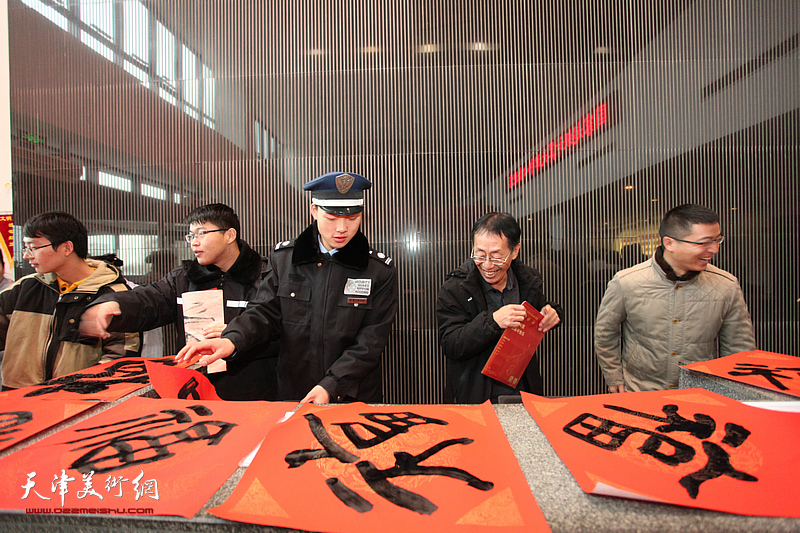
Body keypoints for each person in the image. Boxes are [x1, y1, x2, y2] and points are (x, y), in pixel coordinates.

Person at [175, 172, 399, 404]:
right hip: (294, 391)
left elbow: (370, 342)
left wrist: (330, 386)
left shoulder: (378, 271)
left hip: (353, 394)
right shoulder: (286, 259)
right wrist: (231, 339)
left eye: (352, 218)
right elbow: (263, 311)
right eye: (331, 218)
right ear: (314, 211)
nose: (341, 228)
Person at [80, 203, 278, 401]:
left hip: (254, 391)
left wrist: (235, 335)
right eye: (190, 236)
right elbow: (150, 299)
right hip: (195, 390)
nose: (194, 242)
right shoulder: (185, 278)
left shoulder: (266, 277)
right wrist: (114, 304)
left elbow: (283, 329)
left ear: (230, 235)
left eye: (202, 233)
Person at [594, 204, 757, 393]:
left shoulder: (725, 285)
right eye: (704, 242)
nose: (714, 249)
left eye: (717, 240)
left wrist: (735, 391)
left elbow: (739, 347)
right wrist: (613, 375)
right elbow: (605, 333)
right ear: (669, 243)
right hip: (641, 390)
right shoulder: (627, 282)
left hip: (702, 393)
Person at [0, 211, 140, 390]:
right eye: (25, 248)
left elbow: (121, 356)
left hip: (78, 402)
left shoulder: (113, 293)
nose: (27, 256)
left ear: (67, 248)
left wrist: (83, 390)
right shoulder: (25, 288)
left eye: (33, 247)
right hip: (20, 400)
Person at [436, 212, 562, 403]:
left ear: (515, 251)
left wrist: (553, 313)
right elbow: (451, 343)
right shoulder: (456, 287)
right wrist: (493, 321)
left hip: (523, 391)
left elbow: (541, 307)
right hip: (474, 395)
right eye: (479, 255)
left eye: (496, 256)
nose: (487, 265)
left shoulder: (527, 280)